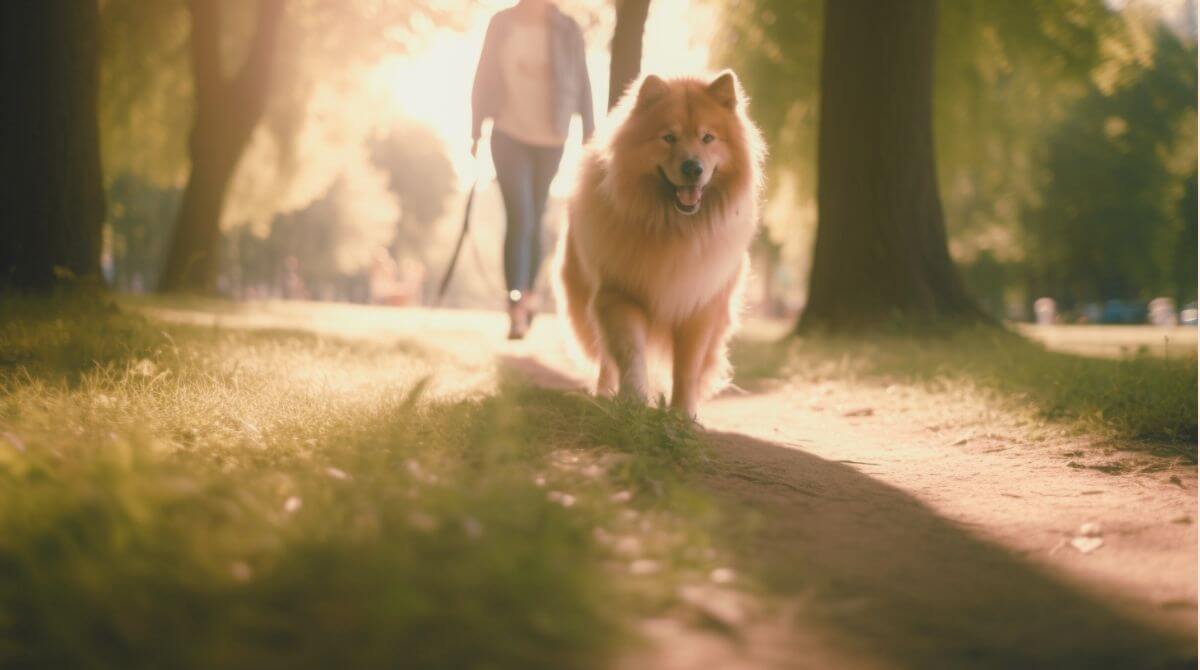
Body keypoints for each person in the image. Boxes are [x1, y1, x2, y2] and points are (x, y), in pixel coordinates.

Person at [472, 0, 594, 339]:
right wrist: (474, 129)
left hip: (551, 138)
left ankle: (526, 297)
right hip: (508, 132)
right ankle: (516, 306)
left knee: (536, 218)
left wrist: (590, 136)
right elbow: (483, 75)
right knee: (520, 216)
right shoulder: (502, 22)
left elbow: (583, 82)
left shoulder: (568, 28)